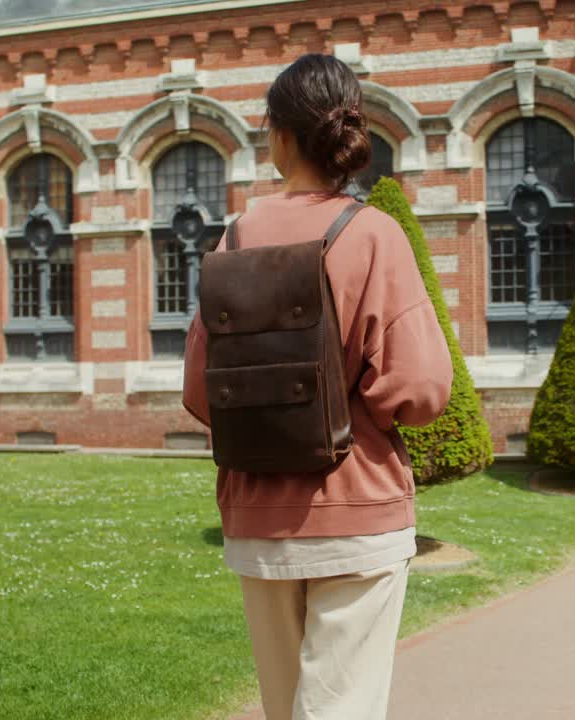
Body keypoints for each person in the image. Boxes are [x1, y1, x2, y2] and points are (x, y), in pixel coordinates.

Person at [181, 54, 453, 720]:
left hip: (256, 516)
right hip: (358, 512)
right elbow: (420, 388)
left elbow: (197, 389)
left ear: (279, 136)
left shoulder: (235, 238)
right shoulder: (374, 234)